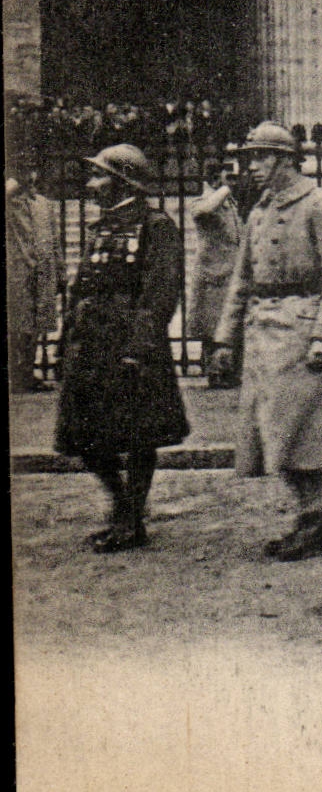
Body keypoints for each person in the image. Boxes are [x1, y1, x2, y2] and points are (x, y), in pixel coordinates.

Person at [211, 123, 322, 561]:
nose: (252, 167)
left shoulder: (320, 207)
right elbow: (243, 279)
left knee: (304, 434)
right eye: (251, 158)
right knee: (272, 434)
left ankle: (314, 520)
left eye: (260, 158)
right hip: (263, 333)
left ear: (285, 160)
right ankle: (306, 518)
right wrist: (225, 339)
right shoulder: (259, 211)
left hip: (302, 333)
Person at [55, 144, 190, 553]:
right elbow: (81, 288)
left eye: (98, 177)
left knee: (137, 435)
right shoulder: (102, 226)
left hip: (130, 344)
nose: (90, 185)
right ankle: (121, 506)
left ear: (122, 182)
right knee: (87, 437)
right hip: (91, 345)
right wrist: (67, 339)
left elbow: (160, 292)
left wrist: (138, 346)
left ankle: (131, 519)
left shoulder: (156, 226)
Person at [186, 159, 244, 388]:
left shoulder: (230, 203)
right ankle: (215, 372)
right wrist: (225, 188)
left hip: (230, 273)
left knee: (229, 324)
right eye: (227, 175)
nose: (233, 180)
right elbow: (202, 211)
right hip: (213, 274)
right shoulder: (206, 199)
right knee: (213, 328)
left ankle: (229, 371)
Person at [6, 160, 62, 393]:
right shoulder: (11, 204)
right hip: (19, 272)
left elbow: (55, 238)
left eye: (31, 173)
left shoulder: (43, 204)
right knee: (20, 324)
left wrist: (60, 269)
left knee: (37, 324)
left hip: (43, 269)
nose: (29, 178)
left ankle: (27, 372)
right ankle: (18, 374)